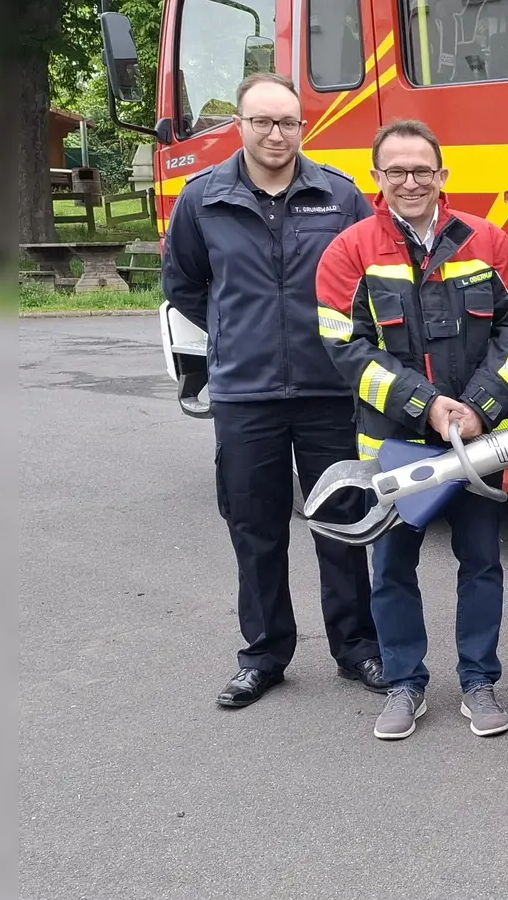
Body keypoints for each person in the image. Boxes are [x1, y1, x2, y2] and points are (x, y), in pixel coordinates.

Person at [162, 73, 384, 709]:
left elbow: (371, 278)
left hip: (328, 391)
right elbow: (184, 282)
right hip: (245, 394)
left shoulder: (339, 197)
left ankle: (357, 647)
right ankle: (263, 654)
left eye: (288, 122)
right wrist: (234, 330)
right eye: (263, 121)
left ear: (302, 126)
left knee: (343, 520)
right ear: (241, 125)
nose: (276, 133)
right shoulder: (202, 199)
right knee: (255, 526)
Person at [314, 119, 508, 741]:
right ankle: (405, 682)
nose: (410, 181)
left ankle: (478, 680)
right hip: (393, 441)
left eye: (422, 170)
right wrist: (427, 405)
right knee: (390, 568)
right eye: (396, 171)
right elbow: (344, 347)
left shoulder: (490, 241)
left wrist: (478, 407)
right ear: (376, 178)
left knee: (482, 562)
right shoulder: (349, 251)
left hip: (478, 436)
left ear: (443, 176)